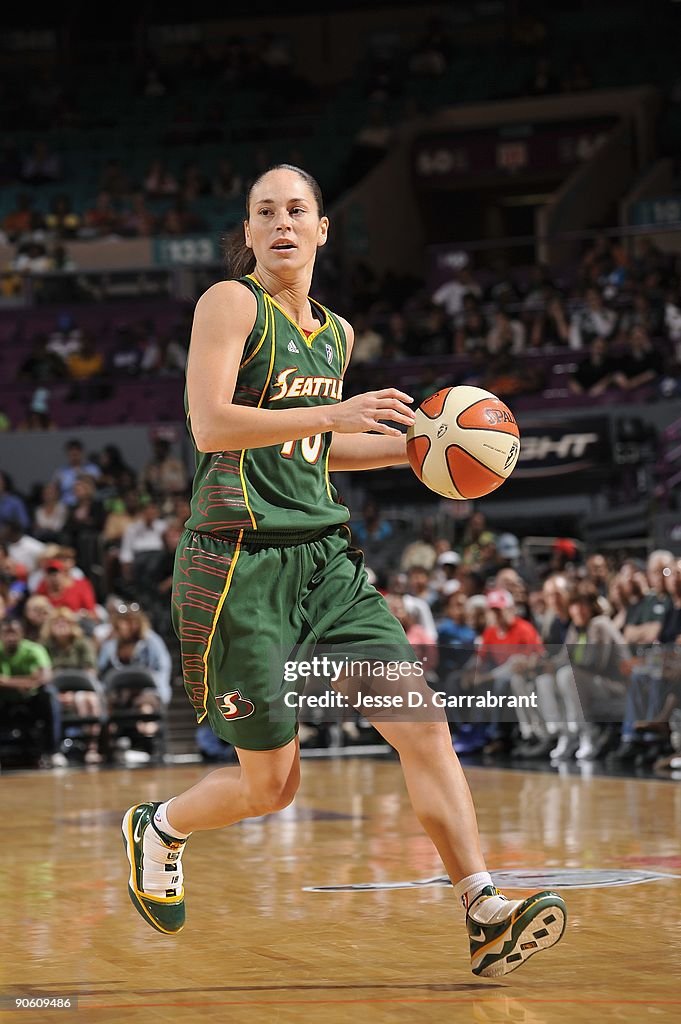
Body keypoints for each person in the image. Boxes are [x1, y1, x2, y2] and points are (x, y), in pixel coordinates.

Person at [121, 163, 566, 975]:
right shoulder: (230, 304)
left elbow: (317, 447)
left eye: (297, 210)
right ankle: (160, 827)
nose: (281, 222)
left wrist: (423, 447)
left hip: (324, 560)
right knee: (271, 789)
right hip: (237, 565)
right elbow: (212, 425)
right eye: (264, 212)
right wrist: (332, 411)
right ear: (248, 234)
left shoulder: (335, 333)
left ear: (323, 229)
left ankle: (484, 908)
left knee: (423, 728)